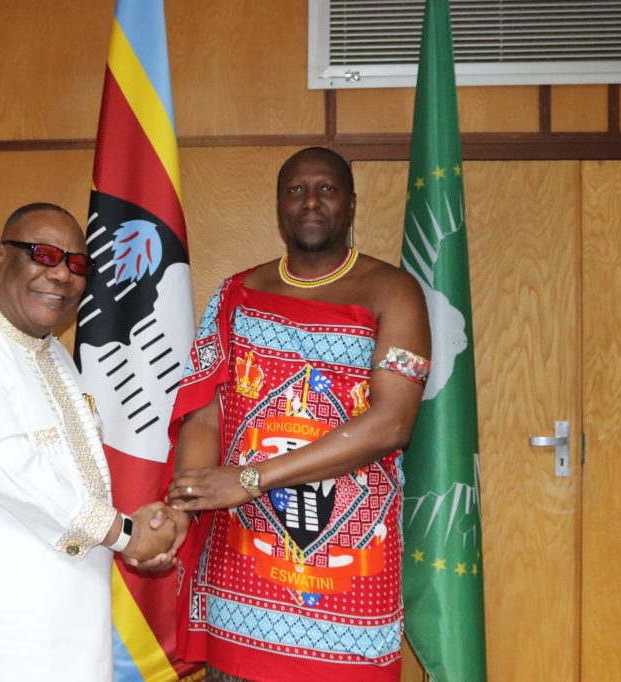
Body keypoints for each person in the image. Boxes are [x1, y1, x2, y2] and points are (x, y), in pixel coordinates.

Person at [166, 147, 431, 681]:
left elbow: (392, 423)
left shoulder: (395, 292)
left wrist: (250, 478)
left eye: (327, 189)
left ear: (351, 204)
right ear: (279, 206)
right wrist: (184, 505)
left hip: (350, 578)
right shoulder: (237, 293)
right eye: (296, 190)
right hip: (242, 575)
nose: (311, 201)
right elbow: (206, 416)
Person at [0, 202, 184, 681]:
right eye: (43, 255)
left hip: (68, 627)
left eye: (77, 264)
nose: (62, 275)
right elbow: (15, 473)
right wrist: (128, 534)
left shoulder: (54, 355)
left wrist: (139, 528)